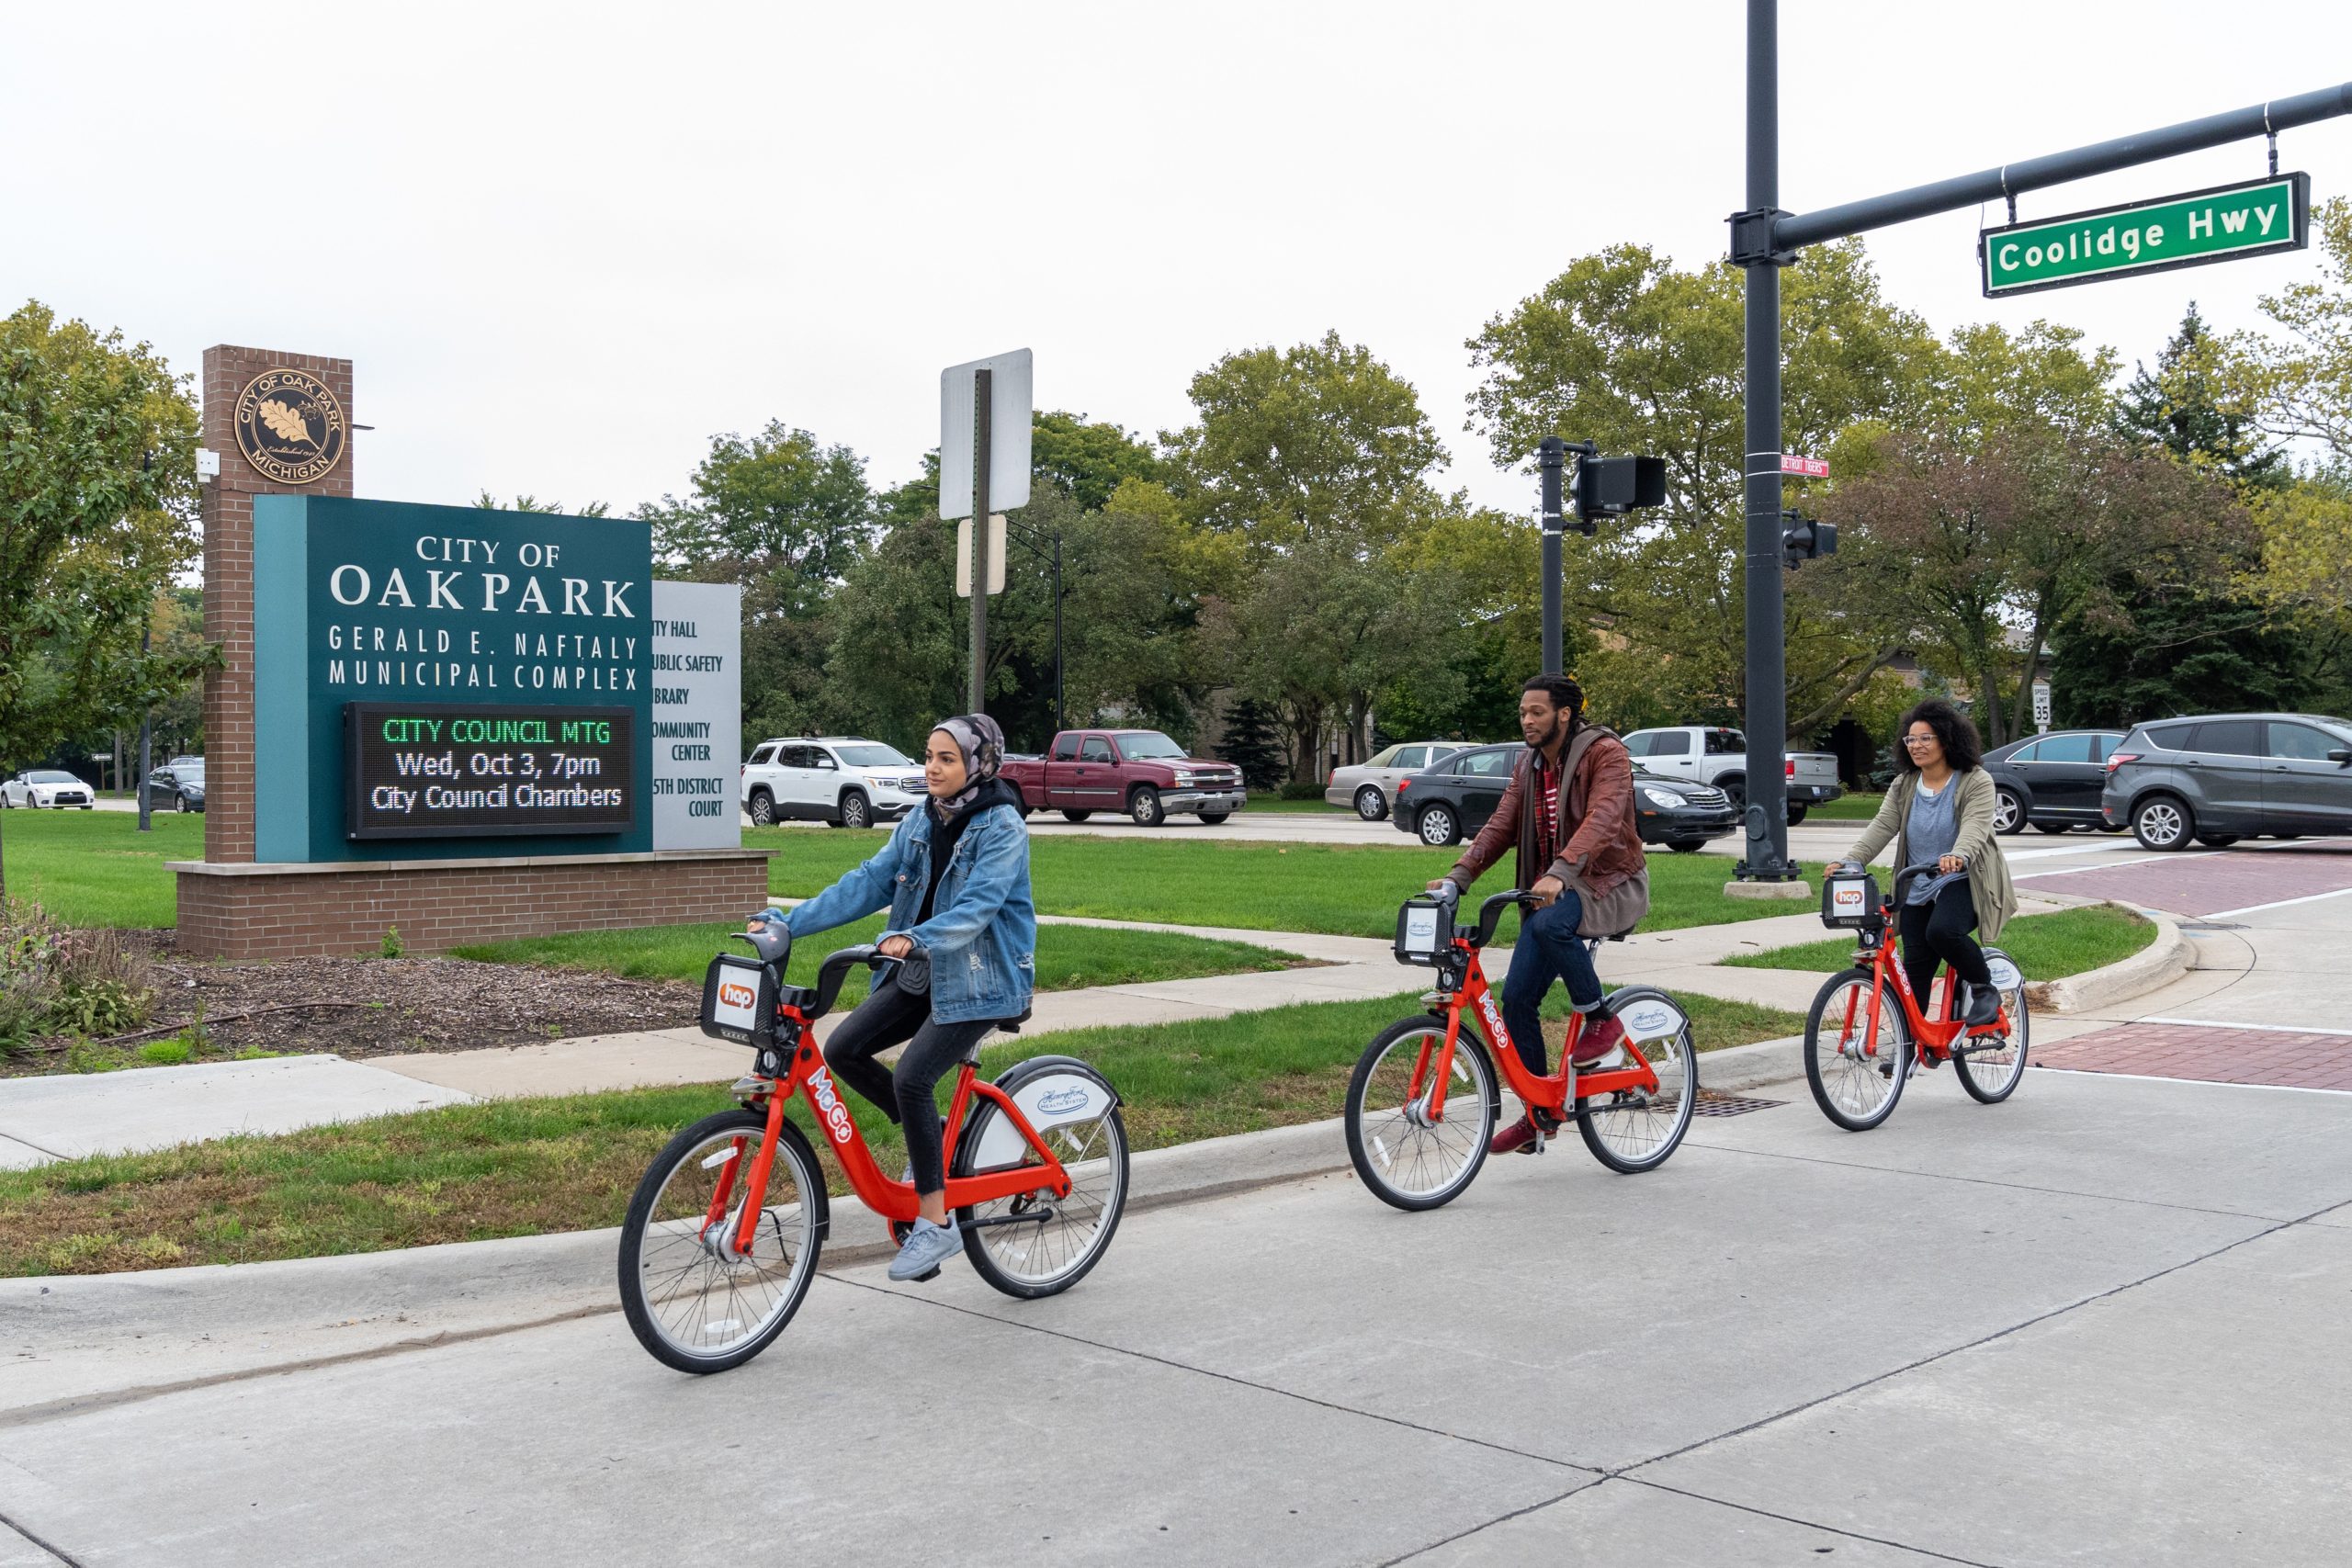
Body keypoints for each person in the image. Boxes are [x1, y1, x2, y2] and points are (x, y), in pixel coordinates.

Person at [747, 714, 1035, 1281]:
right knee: (845, 1049)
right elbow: (869, 881)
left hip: (982, 979)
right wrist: (789, 923)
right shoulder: (921, 819)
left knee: (911, 1079)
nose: (932, 767)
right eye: (928, 755)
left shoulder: (1003, 826)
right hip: (922, 973)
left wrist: (915, 938)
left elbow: (977, 907)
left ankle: (934, 1224)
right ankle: (926, 1148)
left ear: (980, 764)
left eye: (947, 759)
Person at [1429, 674, 1649, 1155]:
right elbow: (1502, 823)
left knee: (1550, 925)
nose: (1527, 720)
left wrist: (1562, 870)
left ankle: (1601, 1020)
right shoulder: (1529, 766)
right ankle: (1539, 1114)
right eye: (1523, 712)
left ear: (1564, 714)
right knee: (1518, 1000)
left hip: (1603, 881)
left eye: (1537, 712)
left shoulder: (1604, 752)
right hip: (1552, 888)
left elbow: (1605, 816)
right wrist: (1458, 877)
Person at [1828, 698, 2018, 1031]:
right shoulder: (1904, 784)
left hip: (1963, 878)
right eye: (1911, 739)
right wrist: (1850, 861)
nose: (1917, 746)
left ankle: (1984, 988)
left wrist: (1958, 855)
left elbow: (1975, 825)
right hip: (1915, 882)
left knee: (1943, 932)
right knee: (1916, 964)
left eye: (1925, 738)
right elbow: (1883, 825)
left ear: (1946, 739)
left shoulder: (1975, 780)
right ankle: (1910, 1043)